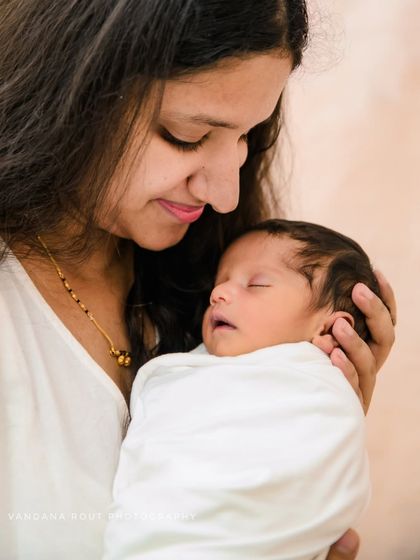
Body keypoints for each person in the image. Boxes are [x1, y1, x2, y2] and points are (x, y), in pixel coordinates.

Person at [0, 2, 396, 560]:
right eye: (187, 135)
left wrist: (311, 422)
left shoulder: (219, 282)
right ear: (72, 86)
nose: (226, 195)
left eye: (245, 139)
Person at [103, 219, 382, 560]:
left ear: (328, 329)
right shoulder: (201, 370)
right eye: (220, 282)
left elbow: (304, 472)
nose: (218, 294)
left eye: (256, 284)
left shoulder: (315, 395)